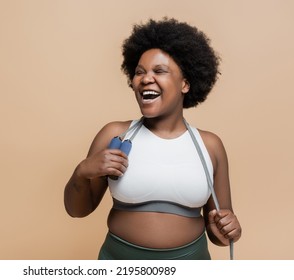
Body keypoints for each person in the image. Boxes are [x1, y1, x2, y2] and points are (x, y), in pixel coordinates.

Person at [64, 17, 242, 260]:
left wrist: (228, 228)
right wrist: (82, 171)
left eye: (159, 71)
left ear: (185, 84)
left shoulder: (210, 146)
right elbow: (77, 211)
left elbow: (219, 234)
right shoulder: (114, 134)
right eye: (139, 72)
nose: (146, 79)